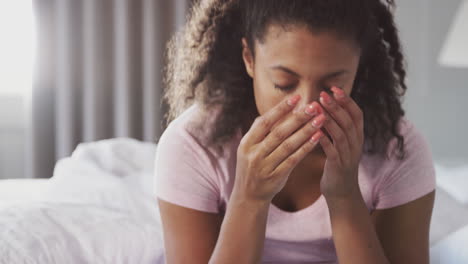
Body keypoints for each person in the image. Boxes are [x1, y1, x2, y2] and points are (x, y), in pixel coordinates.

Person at [154, 0, 436, 263]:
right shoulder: (192, 145)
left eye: (331, 85)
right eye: (284, 83)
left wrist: (345, 195)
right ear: (249, 58)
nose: (308, 107)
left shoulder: (399, 151)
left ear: (358, 67)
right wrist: (248, 199)